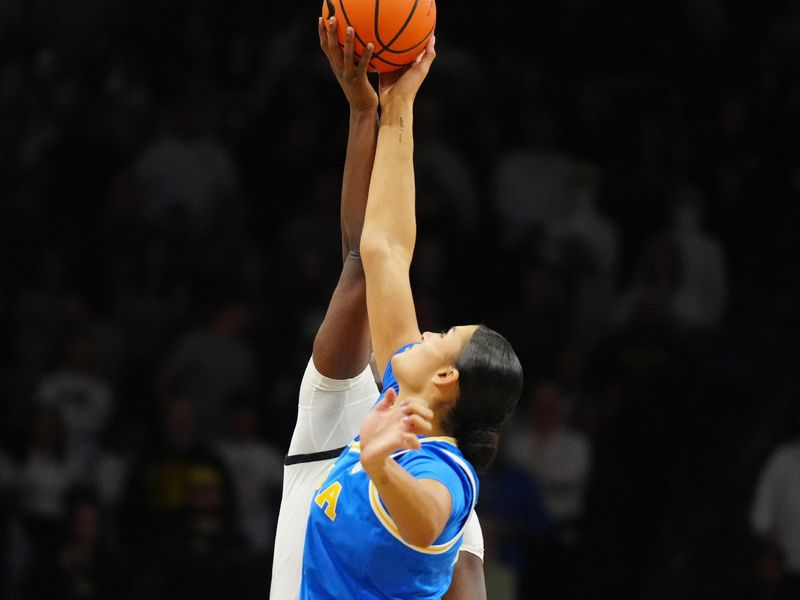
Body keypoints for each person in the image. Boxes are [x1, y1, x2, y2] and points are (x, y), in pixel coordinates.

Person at [300, 27, 523, 599]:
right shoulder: (402, 392)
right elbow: (386, 252)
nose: (423, 331)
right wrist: (399, 104)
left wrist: (381, 467)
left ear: (447, 377)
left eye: (441, 336)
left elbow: (427, 517)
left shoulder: (444, 471)